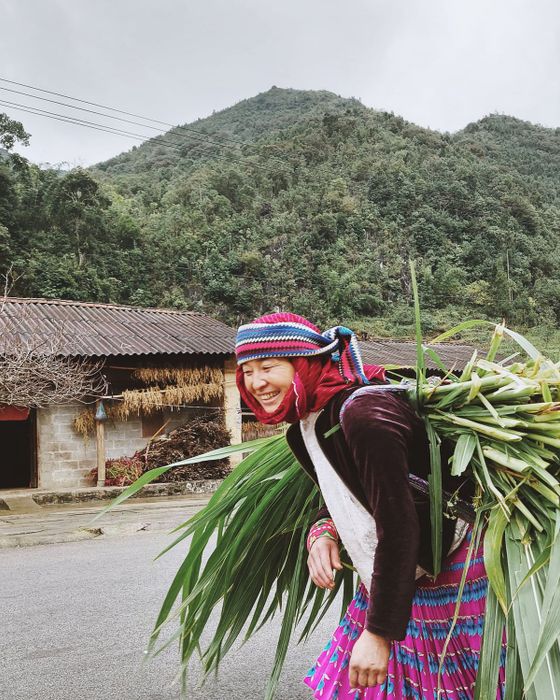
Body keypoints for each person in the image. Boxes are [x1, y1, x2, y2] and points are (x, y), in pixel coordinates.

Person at [235, 312, 506, 699]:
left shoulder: (364, 414)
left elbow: (400, 524)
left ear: (303, 363)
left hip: (444, 571)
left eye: (268, 367)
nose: (256, 382)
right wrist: (322, 532)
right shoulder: (304, 427)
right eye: (246, 371)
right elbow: (341, 491)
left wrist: (379, 633)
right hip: (387, 576)